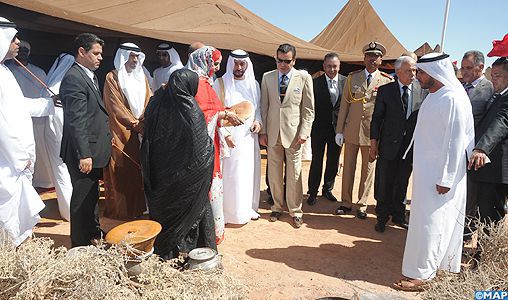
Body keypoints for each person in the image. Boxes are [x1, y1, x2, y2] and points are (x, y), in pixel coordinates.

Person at [393, 52, 474, 291]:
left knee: (433, 223)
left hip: (440, 177)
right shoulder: (435, 95)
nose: (417, 76)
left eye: (421, 72)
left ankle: (424, 276)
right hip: (428, 174)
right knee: (430, 222)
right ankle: (438, 269)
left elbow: (456, 142)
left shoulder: (452, 99)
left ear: (436, 72)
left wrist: (446, 178)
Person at [141, 68, 216, 259]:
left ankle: (166, 250)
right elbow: (202, 151)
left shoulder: (156, 105)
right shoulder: (191, 110)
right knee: (195, 210)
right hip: (187, 182)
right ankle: (191, 253)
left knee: (165, 213)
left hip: (161, 177)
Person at [0, 18, 56, 246]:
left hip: (15, 160)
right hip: (7, 161)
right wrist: (20, 157)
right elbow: (2, 122)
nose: (18, 43)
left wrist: (51, 104)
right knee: (7, 209)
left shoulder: (4, 71)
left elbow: (19, 106)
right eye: (13, 39)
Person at [60, 33, 112, 247]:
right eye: (96, 53)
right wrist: (85, 154)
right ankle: (80, 245)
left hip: (93, 150)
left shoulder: (89, 75)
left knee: (91, 197)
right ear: (82, 52)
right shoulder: (74, 78)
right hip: (83, 153)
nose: (100, 58)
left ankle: (93, 234)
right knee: (82, 199)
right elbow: (76, 121)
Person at [187, 46, 243, 243]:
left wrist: (225, 128)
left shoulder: (206, 83)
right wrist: (225, 114)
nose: (217, 68)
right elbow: (198, 115)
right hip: (200, 146)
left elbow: (214, 110)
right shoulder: (196, 84)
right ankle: (206, 234)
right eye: (216, 64)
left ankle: (213, 232)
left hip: (212, 143)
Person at [334, 41, 393, 219]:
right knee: (349, 168)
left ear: (381, 60)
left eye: (376, 57)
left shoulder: (386, 80)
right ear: (364, 58)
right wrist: (339, 130)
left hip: (372, 134)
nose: (372, 60)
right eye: (369, 56)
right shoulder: (353, 78)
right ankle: (345, 202)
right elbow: (344, 104)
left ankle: (362, 204)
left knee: (367, 171)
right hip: (352, 130)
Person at [259, 43, 314, 228]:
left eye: (287, 61)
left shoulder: (304, 78)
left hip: (294, 135)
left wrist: (305, 132)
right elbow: (264, 107)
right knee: (274, 172)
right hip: (273, 133)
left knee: (294, 173)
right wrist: (263, 132)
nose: (282, 64)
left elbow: (308, 109)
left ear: (294, 60)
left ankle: (296, 210)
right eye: (279, 60)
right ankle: (276, 206)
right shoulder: (267, 77)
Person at [369, 56, 426, 233]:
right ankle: (382, 217)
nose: (413, 74)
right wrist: (373, 143)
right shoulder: (386, 91)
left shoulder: (421, 91)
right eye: (409, 70)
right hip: (388, 146)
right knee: (385, 181)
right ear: (399, 71)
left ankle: (399, 216)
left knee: (402, 181)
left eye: (415, 70)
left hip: (410, 147)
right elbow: (377, 119)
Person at [102, 43, 151, 220]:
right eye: (131, 56)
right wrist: (134, 124)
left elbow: (148, 100)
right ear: (123, 56)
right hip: (122, 132)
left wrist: (144, 121)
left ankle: (140, 208)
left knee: (140, 173)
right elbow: (115, 106)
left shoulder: (143, 77)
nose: (135, 60)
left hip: (141, 131)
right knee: (123, 172)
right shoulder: (113, 77)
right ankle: (123, 213)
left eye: (137, 56)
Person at [213, 49, 262, 224]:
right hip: (229, 140)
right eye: (236, 63)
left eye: (242, 64)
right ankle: (227, 213)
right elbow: (215, 113)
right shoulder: (220, 84)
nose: (239, 67)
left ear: (247, 65)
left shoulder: (254, 85)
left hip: (248, 140)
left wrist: (258, 122)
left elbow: (259, 109)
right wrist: (225, 134)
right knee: (230, 175)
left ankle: (245, 210)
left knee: (247, 174)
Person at [7, 40, 53, 190]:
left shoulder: (38, 72)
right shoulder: (7, 71)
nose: (22, 53)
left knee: (39, 149)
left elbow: (45, 94)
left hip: (37, 118)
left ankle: (43, 181)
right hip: (14, 119)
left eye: (25, 51)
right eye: (20, 50)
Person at [468, 57, 508, 228]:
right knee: (483, 212)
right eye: (493, 75)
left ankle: (488, 253)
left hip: (497, 171)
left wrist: (482, 149)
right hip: (487, 170)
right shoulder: (498, 96)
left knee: (491, 214)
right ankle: (481, 252)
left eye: (498, 75)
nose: (493, 79)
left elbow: (501, 122)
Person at [460, 50, 494, 239]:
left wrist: (480, 149)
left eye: (468, 68)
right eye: (462, 68)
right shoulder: (461, 87)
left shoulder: (489, 89)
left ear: (481, 67)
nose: (464, 72)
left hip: (474, 154)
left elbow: (489, 123)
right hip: (458, 152)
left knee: (470, 197)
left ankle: (466, 236)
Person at [306, 52, 345, 206]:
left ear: (339, 66)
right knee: (317, 160)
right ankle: (312, 192)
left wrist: (343, 129)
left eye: (335, 66)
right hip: (319, 129)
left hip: (338, 129)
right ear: (323, 66)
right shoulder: (315, 83)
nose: (332, 69)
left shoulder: (346, 82)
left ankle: (328, 189)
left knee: (333, 160)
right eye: (329, 66)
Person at [40, 53, 76, 221]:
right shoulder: (57, 87)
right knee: (64, 171)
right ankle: (70, 211)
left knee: (62, 172)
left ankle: (69, 210)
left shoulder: (51, 85)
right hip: (61, 137)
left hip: (59, 137)